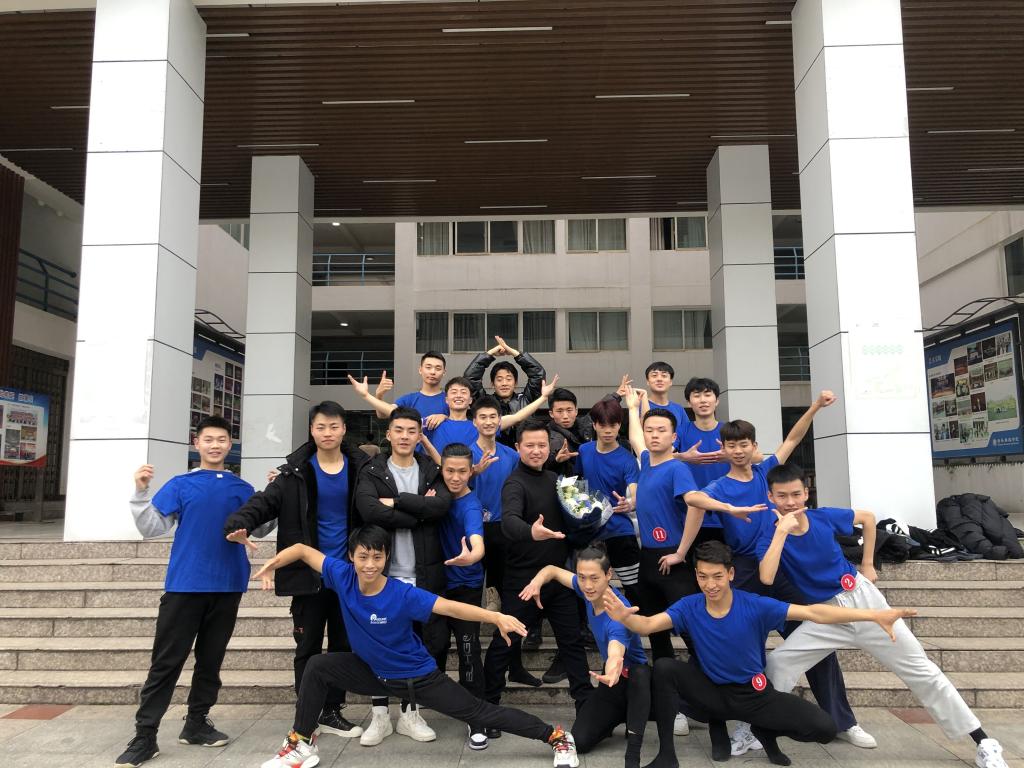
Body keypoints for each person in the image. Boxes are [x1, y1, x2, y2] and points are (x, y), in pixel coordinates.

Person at [255, 526, 581, 768]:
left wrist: (495, 616)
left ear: (386, 558)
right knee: (317, 666)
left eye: (377, 557)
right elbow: (302, 550)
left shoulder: (402, 594)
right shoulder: (342, 575)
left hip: (417, 677)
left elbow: (450, 608)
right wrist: (274, 564)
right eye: (363, 557)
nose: (369, 565)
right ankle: (301, 743)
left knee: (480, 712)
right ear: (351, 556)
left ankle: (556, 737)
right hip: (374, 674)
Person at [760, 463, 1010, 768]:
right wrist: (781, 533)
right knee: (779, 662)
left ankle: (983, 741)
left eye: (795, 494)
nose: (790, 502)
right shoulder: (771, 534)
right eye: (782, 496)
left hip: (864, 600)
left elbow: (868, 518)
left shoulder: (823, 517)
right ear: (770, 497)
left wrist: (868, 564)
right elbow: (767, 577)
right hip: (826, 615)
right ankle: (759, 726)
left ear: (806, 493)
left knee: (922, 671)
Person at [603, 541, 914, 768]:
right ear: (696, 575)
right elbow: (646, 625)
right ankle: (667, 756)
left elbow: (814, 613)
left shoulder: (755, 605)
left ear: (731, 573)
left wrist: (873, 615)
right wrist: (622, 616)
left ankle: (763, 729)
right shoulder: (689, 606)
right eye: (703, 576)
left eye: (717, 576)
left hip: (753, 695)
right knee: (665, 667)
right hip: (710, 693)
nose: (710, 584)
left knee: (824, 728)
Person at [684, 392, 875, 753]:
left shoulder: (766, 473)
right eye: (731, 445)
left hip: (782, 568)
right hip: (744, 571)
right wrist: (728, 508)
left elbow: (793, 438)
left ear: (754, 447)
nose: (738, 451)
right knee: (742, 646)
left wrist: (814, 407)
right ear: (722, 449)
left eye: (744, 444)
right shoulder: (720, 486)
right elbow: (693, 498)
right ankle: (742, 723)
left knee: (816, 638)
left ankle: (843, 720)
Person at [115, 415, 260, 768]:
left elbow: (262, 527)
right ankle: (145, 735)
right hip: (185, 585)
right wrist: (140, 492)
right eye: (208, 439)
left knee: (211, 660)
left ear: (230, 444)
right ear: (197, 444)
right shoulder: (181, 484)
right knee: (166, 662)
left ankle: (196, 723)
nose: (215, 445)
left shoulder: (242, 488)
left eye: (221, 439)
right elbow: (152, 528)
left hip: (228, 585)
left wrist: (274, 495)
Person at [224, 401, 368, 742]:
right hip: (308, 576)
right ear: (312, 430)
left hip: (348, 575)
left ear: (344, 429)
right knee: (307, 647)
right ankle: (307, 714)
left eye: (334, 426)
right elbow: (263, 503)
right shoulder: (294, 474)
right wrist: (239, 523)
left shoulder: (362, 469)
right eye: (321, 427)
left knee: (343, 646)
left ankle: (332, 711)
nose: (327, 433)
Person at [352, 405, 451, 746]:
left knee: (417, 646)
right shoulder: (373, 469)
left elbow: (441, 506)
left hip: (423, 572)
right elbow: (368, 509)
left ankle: (410, 714)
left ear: (419, 436)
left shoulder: (431, 469)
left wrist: (395, 502)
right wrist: (417, 512)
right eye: (399, 430)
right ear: (389, 433)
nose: (405, 436)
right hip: (383, 575)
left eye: (412, 431)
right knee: (378, 646)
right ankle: (379, 716)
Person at [482, 419, 594, 723]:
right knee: (505, 642)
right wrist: (532, 532)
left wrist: (594, 514)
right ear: (518, 447)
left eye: (542, 445)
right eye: (529, 445)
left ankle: (587, 710)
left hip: (558, 577)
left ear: (549, 447)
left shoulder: (557, 479)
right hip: (523, 581)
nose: (536, 450)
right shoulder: (514, 483)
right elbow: (509, 522)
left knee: (572, 643)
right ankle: (486, 710)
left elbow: (583, 519)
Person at [520, 546, 652, 768]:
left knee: (637, 673)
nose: (588, 585)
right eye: (582, 577)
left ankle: (633, 716)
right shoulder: (588, 590)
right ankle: (618, 715)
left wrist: (612, 669)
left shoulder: (618, 613)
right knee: (580, 741)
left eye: (594, 578)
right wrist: (536, 582)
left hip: (636, 682)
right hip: (612, 683)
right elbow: (552, 570)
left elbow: (616, 651)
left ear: (608, 575)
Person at [469, 395, 543, 688]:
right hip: (474, 532)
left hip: (508, 533)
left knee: (513, 602)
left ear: (500, 421)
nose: (488, 422)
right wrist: (473, 473)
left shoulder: (511, 455)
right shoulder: (465, 453)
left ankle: (515, 666)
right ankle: (473, 672)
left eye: (493, 417)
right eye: (483, 417)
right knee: (472, 603)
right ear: (474, 421)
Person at [435, 442, 490, 750]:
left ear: (472, 472)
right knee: (435, 645)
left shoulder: (470, 505)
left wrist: (473, 555)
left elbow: (477, 539)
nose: (455, 478)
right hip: (435, 585)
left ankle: (476, 717)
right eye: (449, 471)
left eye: (462, 472)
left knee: (469, 650)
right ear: (441, 469)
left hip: (465, 588)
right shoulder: (435, 493)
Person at [420, 374, 559, 455]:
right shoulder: (432, 422)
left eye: (463, 392)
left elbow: (517, 417)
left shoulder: (481, 424)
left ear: (470, 400)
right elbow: (407, 426)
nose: (458, 396)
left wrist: (543, 397)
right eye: (454, 392)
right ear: (446, 399)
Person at [464, 335, 546, 444]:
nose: (504, 383)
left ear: (515, 383)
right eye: (499, 379)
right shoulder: (485, 402)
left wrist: (514, 353)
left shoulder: (526, 399)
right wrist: (490, 354)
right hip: (493, 452)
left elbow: (538, 374)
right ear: (492, 384)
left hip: (523, 452)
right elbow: (470, 378)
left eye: (508, 379)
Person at [360, 352, 449, 430]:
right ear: (420, 370)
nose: (433, 372)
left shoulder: (450, 399)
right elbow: (382, 415)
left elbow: (457, 420)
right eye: (428, 367)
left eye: (438, 368)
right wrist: (379, 396)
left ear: (444, 372)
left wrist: (445, 418)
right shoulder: (408, 399)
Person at [639, 362, 690, 445]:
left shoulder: (679, 409)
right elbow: (638, 434)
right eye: (654, 375)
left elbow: (686, 435)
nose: (659, 379)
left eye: (664, 375)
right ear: (647, 381)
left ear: (671, 381)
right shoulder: (638, 406)